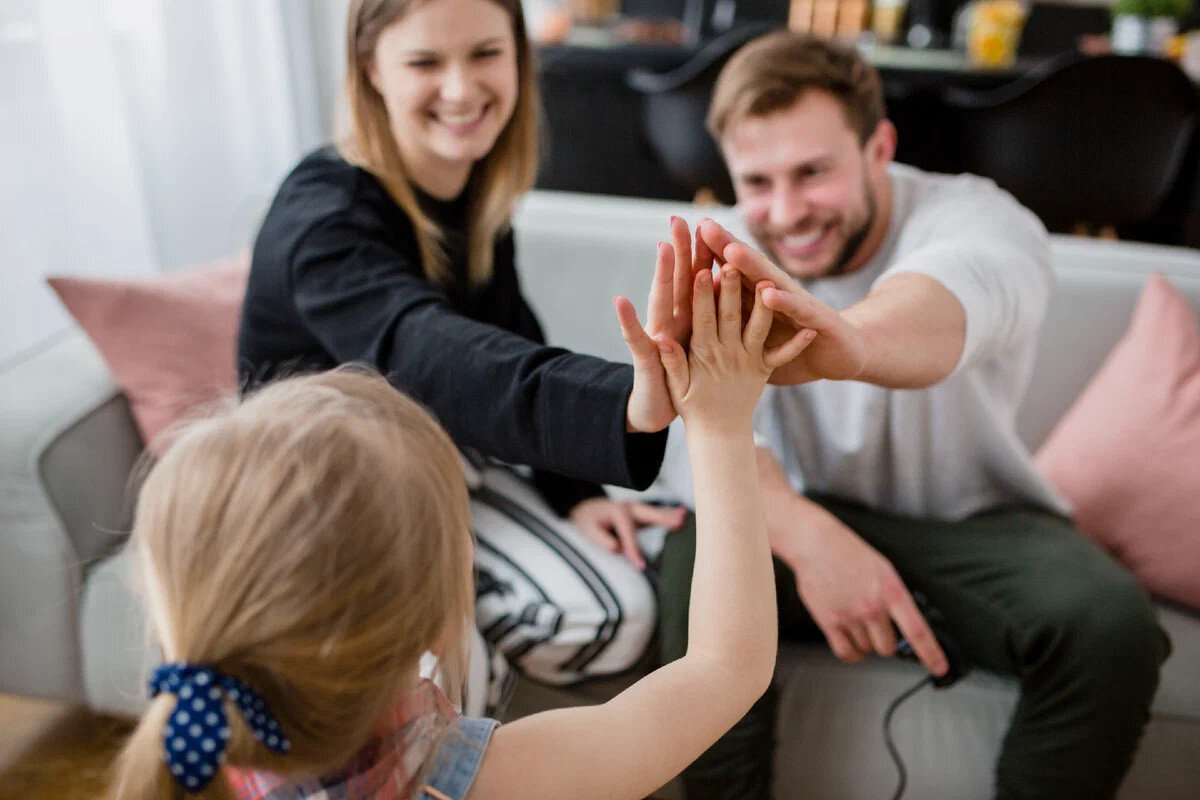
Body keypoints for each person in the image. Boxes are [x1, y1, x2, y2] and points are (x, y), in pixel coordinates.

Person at [656, 32, 1169, 800]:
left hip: (974, 527)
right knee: (701, 549)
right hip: (798, 517)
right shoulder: (718, 250)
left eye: (813, 172)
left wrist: (851, 343)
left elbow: (949, 294)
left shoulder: (977, 217)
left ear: (878, 148)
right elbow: (701, 438)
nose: (787, 212)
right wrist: (811, 538)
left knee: (1114, 628)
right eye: (757, 181)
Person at [107, 266, 816, 800]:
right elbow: (726, 669)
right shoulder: (471, 779)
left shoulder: (208, 758)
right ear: (449, 618)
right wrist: (721, 425)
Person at [238, 0, 704, 694]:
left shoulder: (474, 190)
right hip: (325, 488)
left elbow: (506, 331)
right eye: (425, 62)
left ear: (519, 56)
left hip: (431, 451)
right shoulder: (326, 220)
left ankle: (463, 626)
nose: (461, 90)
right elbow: (430, 356)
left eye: (485, 54)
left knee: (623, 604)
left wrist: (573, 490)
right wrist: (626, 404)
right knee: (531, 639)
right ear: (372, 71)